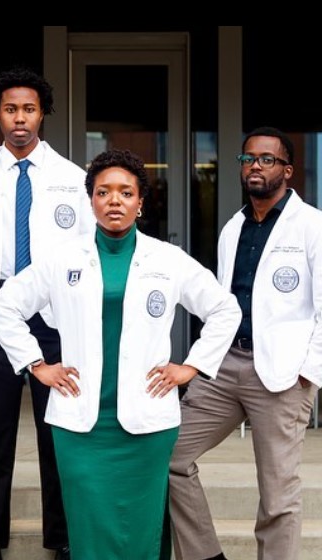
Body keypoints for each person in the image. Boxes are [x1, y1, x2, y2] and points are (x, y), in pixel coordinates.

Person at [0, 148, 241, 560]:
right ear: (91, 200)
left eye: (126, 192)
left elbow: (224, 309)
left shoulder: (166, 259)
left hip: (146, 424)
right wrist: (36, 365)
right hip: (79, 425)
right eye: (104, 191)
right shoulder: (63, 258)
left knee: (140, 533)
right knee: (90, 532)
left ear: (141, 202)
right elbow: (4, 305)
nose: (115, 200)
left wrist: (191, 367)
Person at [0, 67, 93, 560]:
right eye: (11, 109)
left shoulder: (74, 181)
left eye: (29, 109)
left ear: (42, 113)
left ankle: (63, 538)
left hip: (53, 321)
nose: (20, 119)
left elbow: (88, 257)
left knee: (57, 436)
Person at [169, 127, 322, 560]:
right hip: (227, 366)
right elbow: (223, 302)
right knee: (170, 457)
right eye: (248, 158)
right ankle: (204, 555)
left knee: (278, 497)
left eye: (267, 159)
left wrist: (307, 374)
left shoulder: (313, 226)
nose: (255, 165)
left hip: (282, 375)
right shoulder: (233, 227)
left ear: (287, 170)